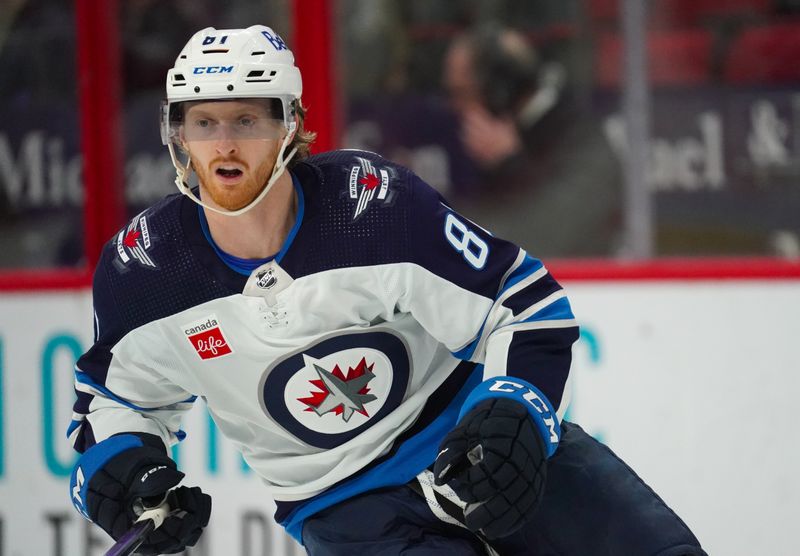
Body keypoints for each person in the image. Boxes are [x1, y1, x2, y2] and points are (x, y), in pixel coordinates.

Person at [66, 25, 704, 555]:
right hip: (349, 511)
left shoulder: (370, 210)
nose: (225, 143)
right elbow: (109, 403)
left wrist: (514, 414)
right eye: (203, 122)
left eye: (246, 120)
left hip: (473, 441)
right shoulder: (145, 272)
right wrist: (129, 478)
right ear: (177, 134)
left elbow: (522, 303)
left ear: (291, 127)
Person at [443, 25, 623, 258]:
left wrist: (510, 164)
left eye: (462, 92)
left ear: (499, 91)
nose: (455, 107)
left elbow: (562, 230)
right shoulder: (495, 141)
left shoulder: (576, 134)